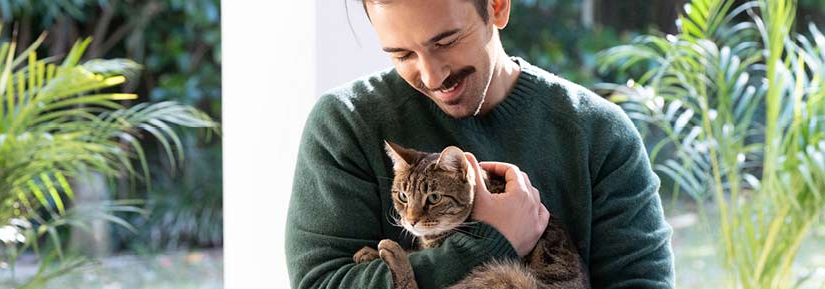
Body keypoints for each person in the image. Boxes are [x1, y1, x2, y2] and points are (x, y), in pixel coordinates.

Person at [285, 0, 674, 288]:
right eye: (402, 54)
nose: (432, 75)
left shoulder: (599, 133)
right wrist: (494, 240)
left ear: (497, 7)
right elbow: (322, 282)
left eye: (446, 41)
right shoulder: (346, 123)